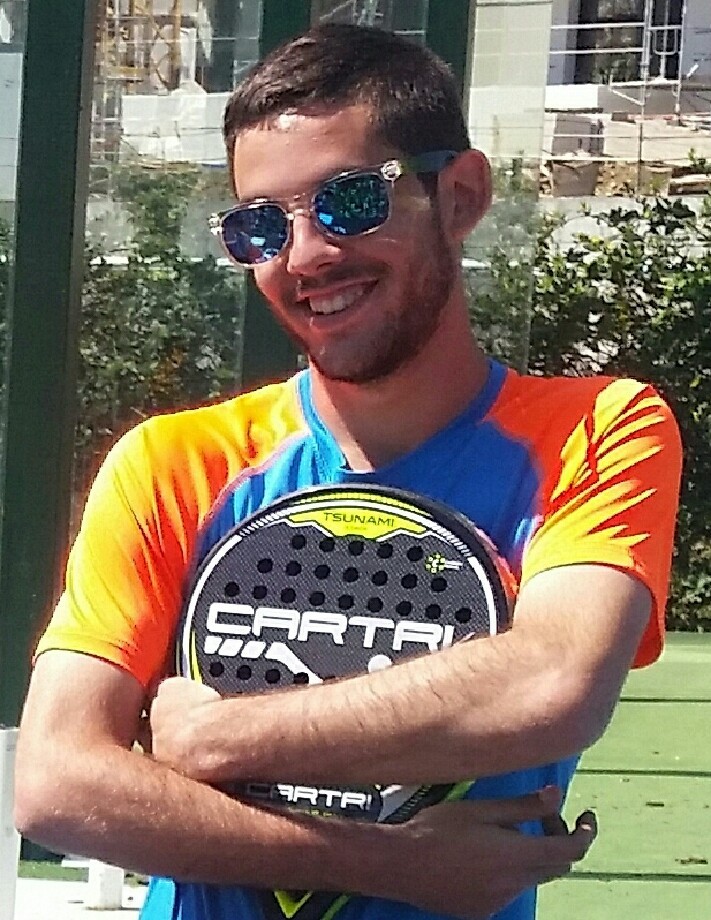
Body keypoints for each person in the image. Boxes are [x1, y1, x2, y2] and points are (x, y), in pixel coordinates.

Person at [15, 22, 681, 920]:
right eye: (258, 226)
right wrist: (390, 865)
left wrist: (216, 737)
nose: (303, 256)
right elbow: (56, 781)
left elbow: (551, 684)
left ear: (460, 194)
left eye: (350, 201)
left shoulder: (594, 430)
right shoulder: (174, 461)